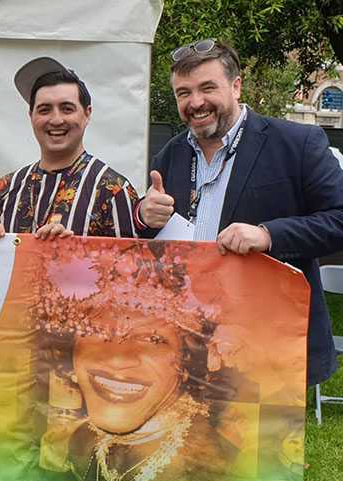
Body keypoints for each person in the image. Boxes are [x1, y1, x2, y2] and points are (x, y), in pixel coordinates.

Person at [136, 39, 343, 386]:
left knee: (261, 441)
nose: (195, 102)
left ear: (235, 86)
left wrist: (268, 234)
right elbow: (158, 241)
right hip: (187, 341)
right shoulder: (170, 156)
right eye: (183, 93)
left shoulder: (297, 143)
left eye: (207, 88)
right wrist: (146, 218)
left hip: (267, 342)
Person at [33, 241, 241, 481]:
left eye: (152, 339)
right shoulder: (79, 443)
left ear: (187, 362)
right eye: (96, 331)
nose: (118, 360)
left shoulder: (219, 473)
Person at [0, 57, 138, 241]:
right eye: (45, 110)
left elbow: (128, 266)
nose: (56, 120)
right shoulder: (6, 188)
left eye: (67, 109)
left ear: (87, 115)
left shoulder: (113, 191)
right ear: (31, 116)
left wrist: (70, 255)